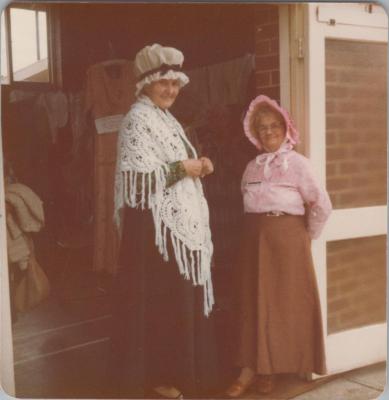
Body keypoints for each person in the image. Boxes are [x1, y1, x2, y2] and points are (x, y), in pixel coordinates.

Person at [110, 44, 218, 399]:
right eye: (164, 83)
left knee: (174, 302)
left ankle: (180, 374)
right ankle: (159, 378)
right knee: (159, 304)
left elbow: (175, 165)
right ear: (145, 84)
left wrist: (198, 164)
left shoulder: (166, 119)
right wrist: (183, 168)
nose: (171, 90)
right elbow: (137, 182)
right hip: (152, 231)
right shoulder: (137, 119)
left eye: (175, 83)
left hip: (171, 227)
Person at [225, 95, 332, 397]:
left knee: (285, 305)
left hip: (289, 239)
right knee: (254, 302)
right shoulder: (251, 167)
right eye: (262, 128)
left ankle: (279, 368)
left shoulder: (298, 164)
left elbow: (322, 205)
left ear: (286, 128)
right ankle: (254, 369)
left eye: (274, 125)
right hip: (254, 240)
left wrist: (304, 237)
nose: (269, 132)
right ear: (254, 133)